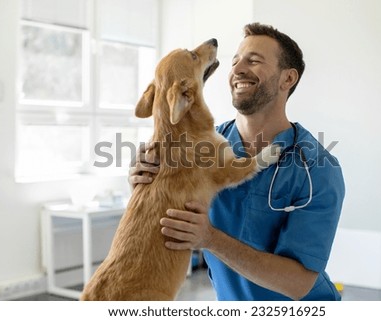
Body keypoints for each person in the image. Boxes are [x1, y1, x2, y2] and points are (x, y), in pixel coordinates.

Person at [129, 23, 345, 301]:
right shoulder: (197, 148)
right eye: (235, 62)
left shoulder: (317, 167)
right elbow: (166, 223)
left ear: (287, 79)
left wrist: (209, 239)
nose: (238, 70)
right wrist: (142, 182)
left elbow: (298, 283)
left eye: (253, 61)